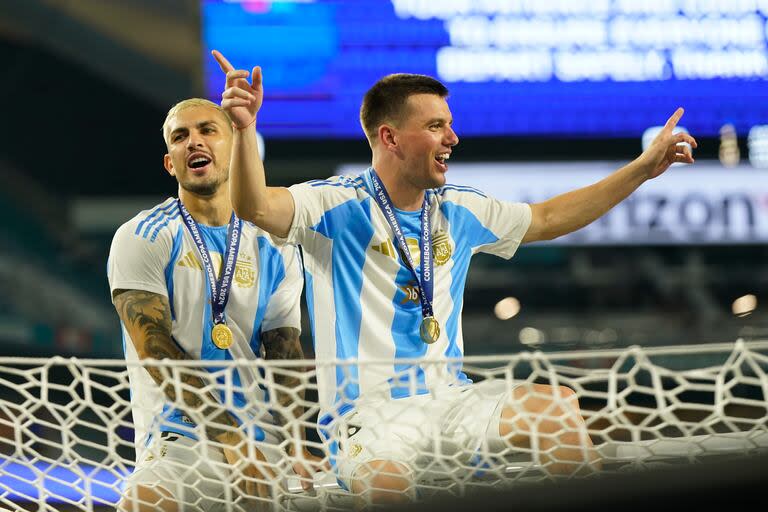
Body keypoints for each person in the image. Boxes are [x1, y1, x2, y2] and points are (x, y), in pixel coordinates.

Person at [210, 50, 697, 506]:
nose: (453, 138)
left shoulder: (459, 208)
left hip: (451, 401)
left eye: (451, 125)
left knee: (557, 409)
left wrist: (641, 169)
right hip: (369, 417)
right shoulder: (333, 205)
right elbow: (253, 206)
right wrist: (245, 131)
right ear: (390, 138)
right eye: (437, 125)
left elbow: (548, 218)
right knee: (386, 490)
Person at [107, 98, 323, 511]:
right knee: (144, 503)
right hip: (181, 435)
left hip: (263, 438)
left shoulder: (274, 245)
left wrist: (296, 443)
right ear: (170, 163)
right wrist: (232, 441)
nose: (193, 142)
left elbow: (283, 354)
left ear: (235, 148)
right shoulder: (142, 236)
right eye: (180, 136)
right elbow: (155, 351)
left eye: (208, 130)